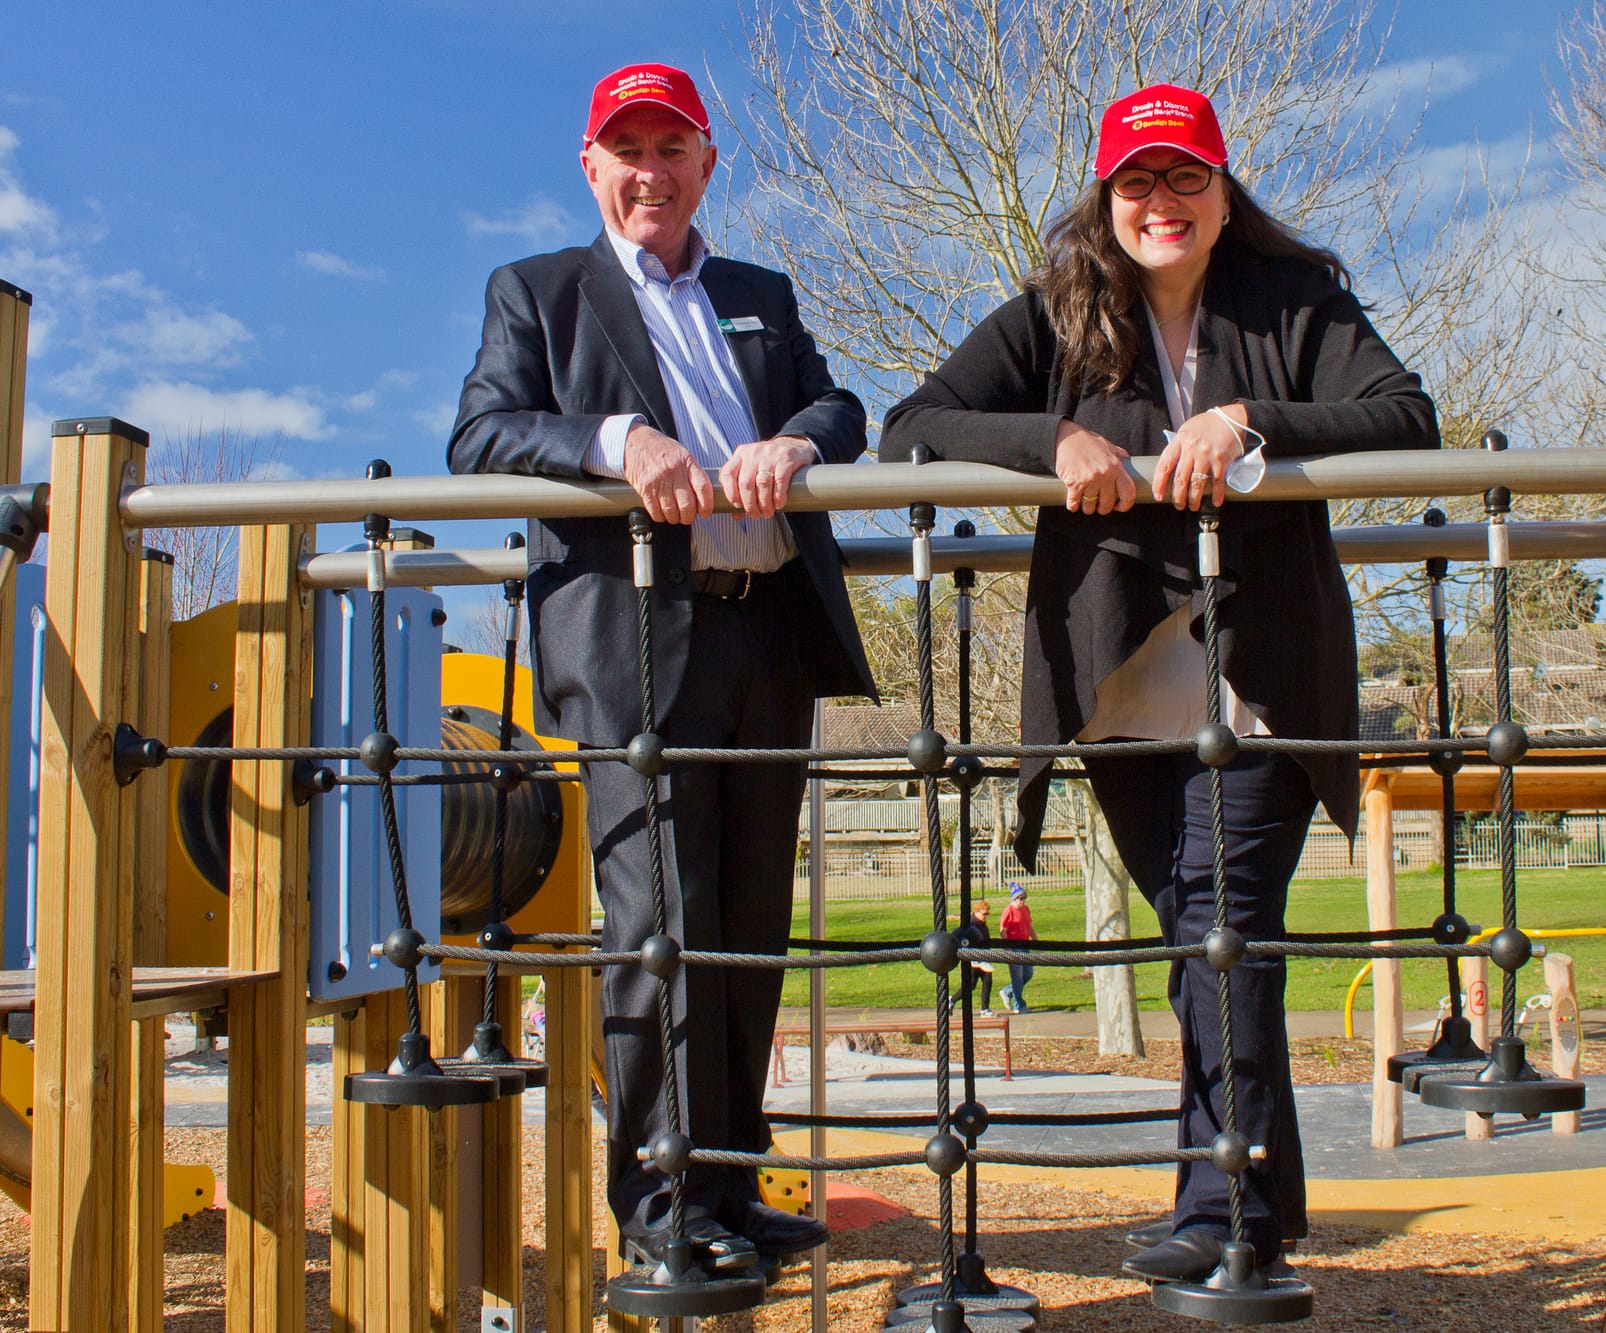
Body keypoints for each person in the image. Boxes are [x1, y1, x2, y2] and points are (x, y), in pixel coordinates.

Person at [880, 85, 1439, 1284]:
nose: (1160, 201)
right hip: (1120, 682)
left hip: (1263, 675)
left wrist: (1249, 424)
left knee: (1220, 926)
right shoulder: (1058, 316)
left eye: (1184, 176)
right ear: (1104, 201)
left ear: (1224, 194)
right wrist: (1053, 444)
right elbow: (910, 425)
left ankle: (1220, 1213)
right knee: (1203, 935)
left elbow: (1406, 415)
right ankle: (1255, 1201)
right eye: (1135, 180)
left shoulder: (1294, 302)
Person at [449, 62, 875, 1278]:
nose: (649, 171)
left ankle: (735, 1186)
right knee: (658, 922)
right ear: (591, 167)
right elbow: (480, 430)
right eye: (625, 150)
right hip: (636, 637)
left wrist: (795, 439)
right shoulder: (537, 291)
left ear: (705, 165)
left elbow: (840, 406)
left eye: (671, 148)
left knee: (746, 922)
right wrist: (617, 441)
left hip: (766, 630)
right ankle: (659, 1200)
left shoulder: (761, 292)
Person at [997, 882, 1038, 1012]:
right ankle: (1019, 1006)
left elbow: (1029, 927)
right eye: (1020, 898)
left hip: (1025, 946)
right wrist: (1006, 947)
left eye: (1024, 898)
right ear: (1013, 899)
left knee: (1028, 974)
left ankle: (1007, 991)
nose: (1022, 901)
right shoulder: (1008, 911)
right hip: (1014, 948)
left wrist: (1036, 941)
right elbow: (1003, 930)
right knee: (1017, 976)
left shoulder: (1026, 910)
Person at [952, 898, 995, 1015]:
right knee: (970, 986)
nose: (986, 916)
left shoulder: (982, 925)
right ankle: (951, 1000)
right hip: (973, 960)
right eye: (984, 913)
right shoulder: (971, 925)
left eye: (987, 914)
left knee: (988, 981)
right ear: (976, 912)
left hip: (984, 959)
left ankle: (985, 1009)